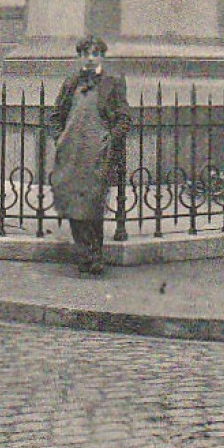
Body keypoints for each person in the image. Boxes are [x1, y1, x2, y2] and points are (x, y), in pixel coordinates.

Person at [49, 35, 131, 275]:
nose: (89, 58)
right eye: (85, 53)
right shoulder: (71, 82)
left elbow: (125, 118)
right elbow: (55, 116)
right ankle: (84, 253)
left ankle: (96, 254)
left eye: (94, 53)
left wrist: (108, 141)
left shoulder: (112, 83)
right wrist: (60, 139)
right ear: (79, 57)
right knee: (73, 203)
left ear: (101, 57)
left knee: (93, 204)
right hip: (71, 153)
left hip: (97, 154)